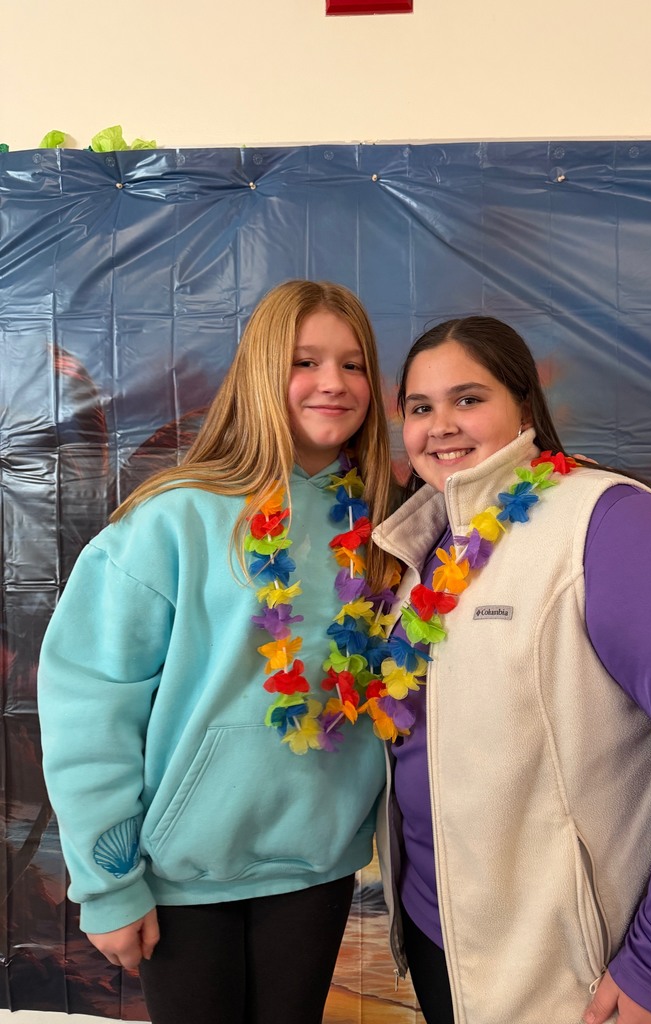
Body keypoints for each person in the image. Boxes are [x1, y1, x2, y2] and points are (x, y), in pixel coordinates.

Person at [367, 316, 651, 1024]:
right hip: (453, 946)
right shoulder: (423, 550)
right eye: (420, 408)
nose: (440, 426)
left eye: (468, 399)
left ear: (525, 406)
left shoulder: (606, 522)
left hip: (588, 976)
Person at [37, 279, 400, 1024]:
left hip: (317, 868)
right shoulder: (175, 518)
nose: (333, 383)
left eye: (354, 364)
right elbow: (90, 707)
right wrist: (108, 884)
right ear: (264, 372)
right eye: (306, 361)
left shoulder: (387, 526)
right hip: (184, 879)